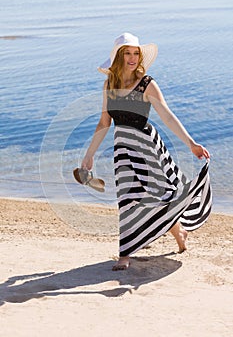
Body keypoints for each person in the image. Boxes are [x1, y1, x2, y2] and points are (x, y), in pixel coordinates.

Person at [81, 32, 212, 271]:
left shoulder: (147, 83)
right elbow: (103, 123)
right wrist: (89, 155)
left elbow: (167, 116)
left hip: (147, 147)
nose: (132, 58)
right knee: (128, 199)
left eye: (135, 53)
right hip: (122, 150)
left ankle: (178, 231)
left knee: (160, 195)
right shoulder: (109, 84)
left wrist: (191, 143)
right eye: (127, 53)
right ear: (118, 57)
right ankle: (125, 254)